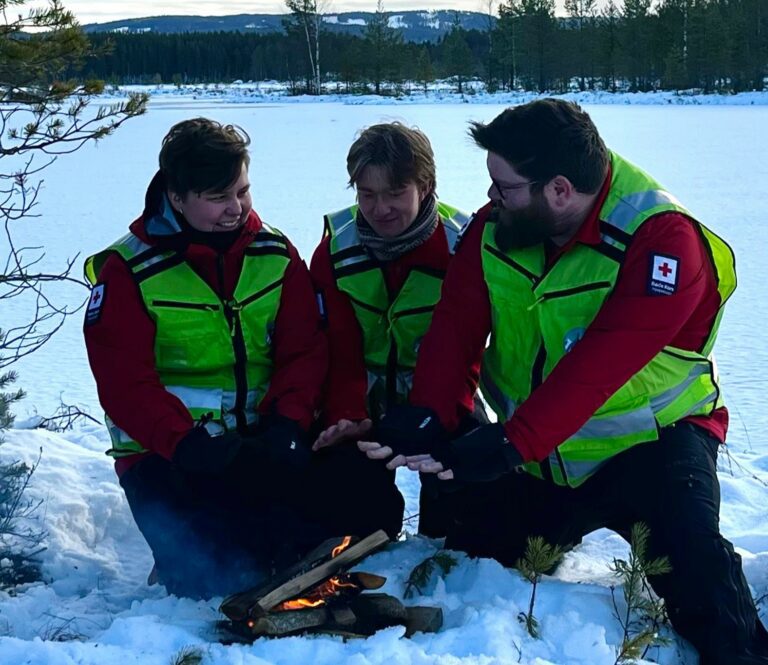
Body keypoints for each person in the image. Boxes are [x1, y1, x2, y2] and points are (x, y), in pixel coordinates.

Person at [368, 99, 768, 664]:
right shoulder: (498, 228)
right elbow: (456, 326)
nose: (488, 199)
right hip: (542, 458)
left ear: (558, 190)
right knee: (472, 552)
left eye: (502, 187)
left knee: (697, 569)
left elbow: (601, 366)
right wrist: (432, 410)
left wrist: (508, 443)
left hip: (651, 448)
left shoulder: (662, 243)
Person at [83, 118, 328, 600]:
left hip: (259, 445)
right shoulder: (128, 271)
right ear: (176, 197)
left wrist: (288, 422)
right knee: (211, 577)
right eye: (218, 197)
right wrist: (185, 443)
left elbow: (305, 351)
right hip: (168, 456)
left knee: (299, 550)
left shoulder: (274, 254)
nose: (236, 209)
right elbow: (123, 383)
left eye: (242, 190)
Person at [309, 122, 485, 538]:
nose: (379, 208)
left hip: (443, 390)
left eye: (394, 193)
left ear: (425, 186)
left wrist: (427, 417)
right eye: (367, 194)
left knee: (467, 503)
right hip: (359, 390)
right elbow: (338, 349)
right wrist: (348, 417)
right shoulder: (336, 249)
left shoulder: (462, 245)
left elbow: (464, 348)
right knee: (348, 506)